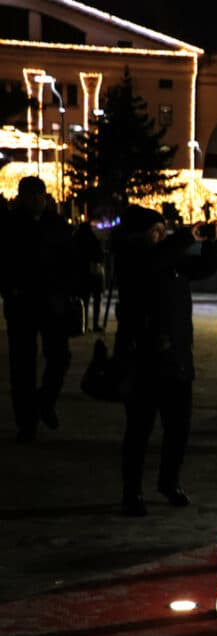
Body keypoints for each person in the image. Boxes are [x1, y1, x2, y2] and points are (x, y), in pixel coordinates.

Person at [112, 206, 217, 516]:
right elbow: (154, 262)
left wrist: (214, 243)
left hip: (177, 357)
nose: (161, 236)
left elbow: (203, 268)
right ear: (139, 235)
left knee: (179, 428)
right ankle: (131, 492)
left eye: (163, 230)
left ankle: (169, 481)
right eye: (155, 231)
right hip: (143, 358)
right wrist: (186, 236)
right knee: (139, 431)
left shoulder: (170, 258)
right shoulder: (133, 258)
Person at [0, 176, 76, 444]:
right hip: (22, 302)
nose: (35, 200)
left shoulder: (55, 224)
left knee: (59, 357)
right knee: (23, 365)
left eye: (38, 195)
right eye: (30, 196)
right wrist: (10, 289)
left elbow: (70, 259)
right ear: (21, 198)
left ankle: (44, 401)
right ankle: (26, 422)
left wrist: (66, 290)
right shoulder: (10, 225)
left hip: (51, 301)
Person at [71, 219, 106, 332]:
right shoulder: (93, 239)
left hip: (82, 274)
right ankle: (95, 324)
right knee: (96, 299)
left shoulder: (76, 239)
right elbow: (100, 255)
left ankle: (83, 324)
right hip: (93, 272)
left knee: (84, 300)